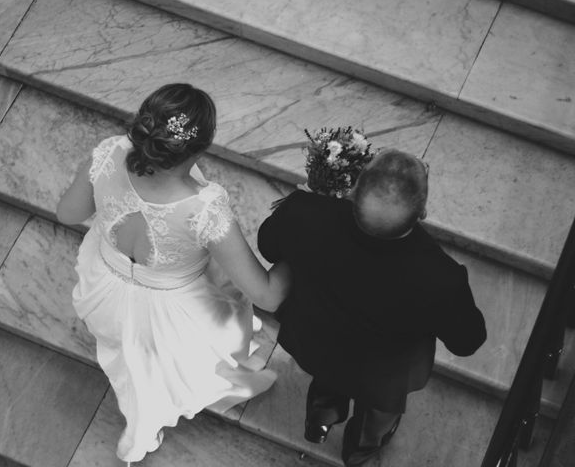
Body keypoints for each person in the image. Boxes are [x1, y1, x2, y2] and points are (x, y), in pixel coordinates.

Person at [56, 83, 290, 465]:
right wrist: (300, 251)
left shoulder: (108, 153)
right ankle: (140, 429)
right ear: (200, 147)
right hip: (169, 314)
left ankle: (140, 411)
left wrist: (114, 211)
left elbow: (67, 214)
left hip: (105, 291)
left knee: (134, 358)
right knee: (165, 370)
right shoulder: (204, 207)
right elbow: (267, 296)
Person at [257, 149, 486, 466]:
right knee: (378, 414)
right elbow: (466, 342)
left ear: (352, 190)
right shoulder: (441, 277)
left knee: (327, 379)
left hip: (318, 342)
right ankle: (360, 449)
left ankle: (320, 419)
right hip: (384, 375)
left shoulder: (303, 213)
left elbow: (268, 246)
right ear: (422, 212)